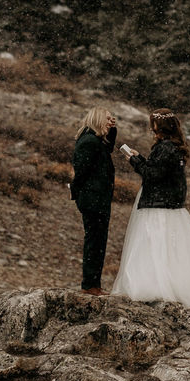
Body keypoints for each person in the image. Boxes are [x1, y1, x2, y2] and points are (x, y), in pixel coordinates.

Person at [111, 109, 190, 307]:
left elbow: (152, 175)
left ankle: (153, 286)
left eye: (153, 124)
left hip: (158, 204)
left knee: (153, 244)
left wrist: (134, 161)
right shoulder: (174, 148)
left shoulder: (164, 148)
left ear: (159, 126)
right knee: (173, 247)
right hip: (171, 204)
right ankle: (175, 284)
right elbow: (160, 172)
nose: (151, 128)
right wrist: (141, 159)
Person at [68, 107, 119, 295]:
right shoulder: (89, 141)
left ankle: (93, 284)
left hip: (97, 198)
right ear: (97, 119)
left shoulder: (94, 140)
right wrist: (77, 193)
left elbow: (108, 148)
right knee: (95, 242)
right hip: (93, 199)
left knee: (98, 242)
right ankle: (90, 285)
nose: (110, 121)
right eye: (107, 119)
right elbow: (81, 171)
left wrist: (112, 130)